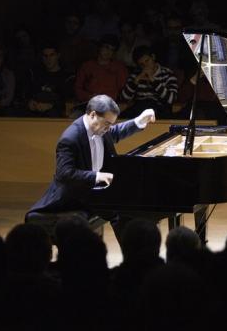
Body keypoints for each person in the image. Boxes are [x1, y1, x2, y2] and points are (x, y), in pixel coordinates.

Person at [25, 95, 155, 241]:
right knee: (120, 211)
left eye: (110, 124)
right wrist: (97, 176)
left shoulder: (101, 129)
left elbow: (115, 132)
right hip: (72, 198)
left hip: (91, 193)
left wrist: (139, 121)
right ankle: (134, 255)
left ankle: (135, 256)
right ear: (93, 114)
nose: (108, 128)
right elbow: (64, 174)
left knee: (127, 208)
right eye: (107, 123)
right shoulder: (71, 138)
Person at [120, 45, 178, 118]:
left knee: (150, 105)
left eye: (147, 61)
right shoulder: (136, 75)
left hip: (160, 110)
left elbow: (171, 99)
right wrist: (136, 81)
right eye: (142, 64)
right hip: (140, 109)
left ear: (153, 57)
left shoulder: (168, 74)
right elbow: (124, 98)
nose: (146, 66)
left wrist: (153, 80)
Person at [22, 43, 73, 117]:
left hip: (55, 116)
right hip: (34, 114)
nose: (48, 59)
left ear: (58, 56)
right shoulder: (36, 75)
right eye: (45, 56)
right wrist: (30, 103)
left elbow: (68, 102)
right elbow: (27, 95)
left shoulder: (67, 77)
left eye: (52, 55)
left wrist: (50, 106)